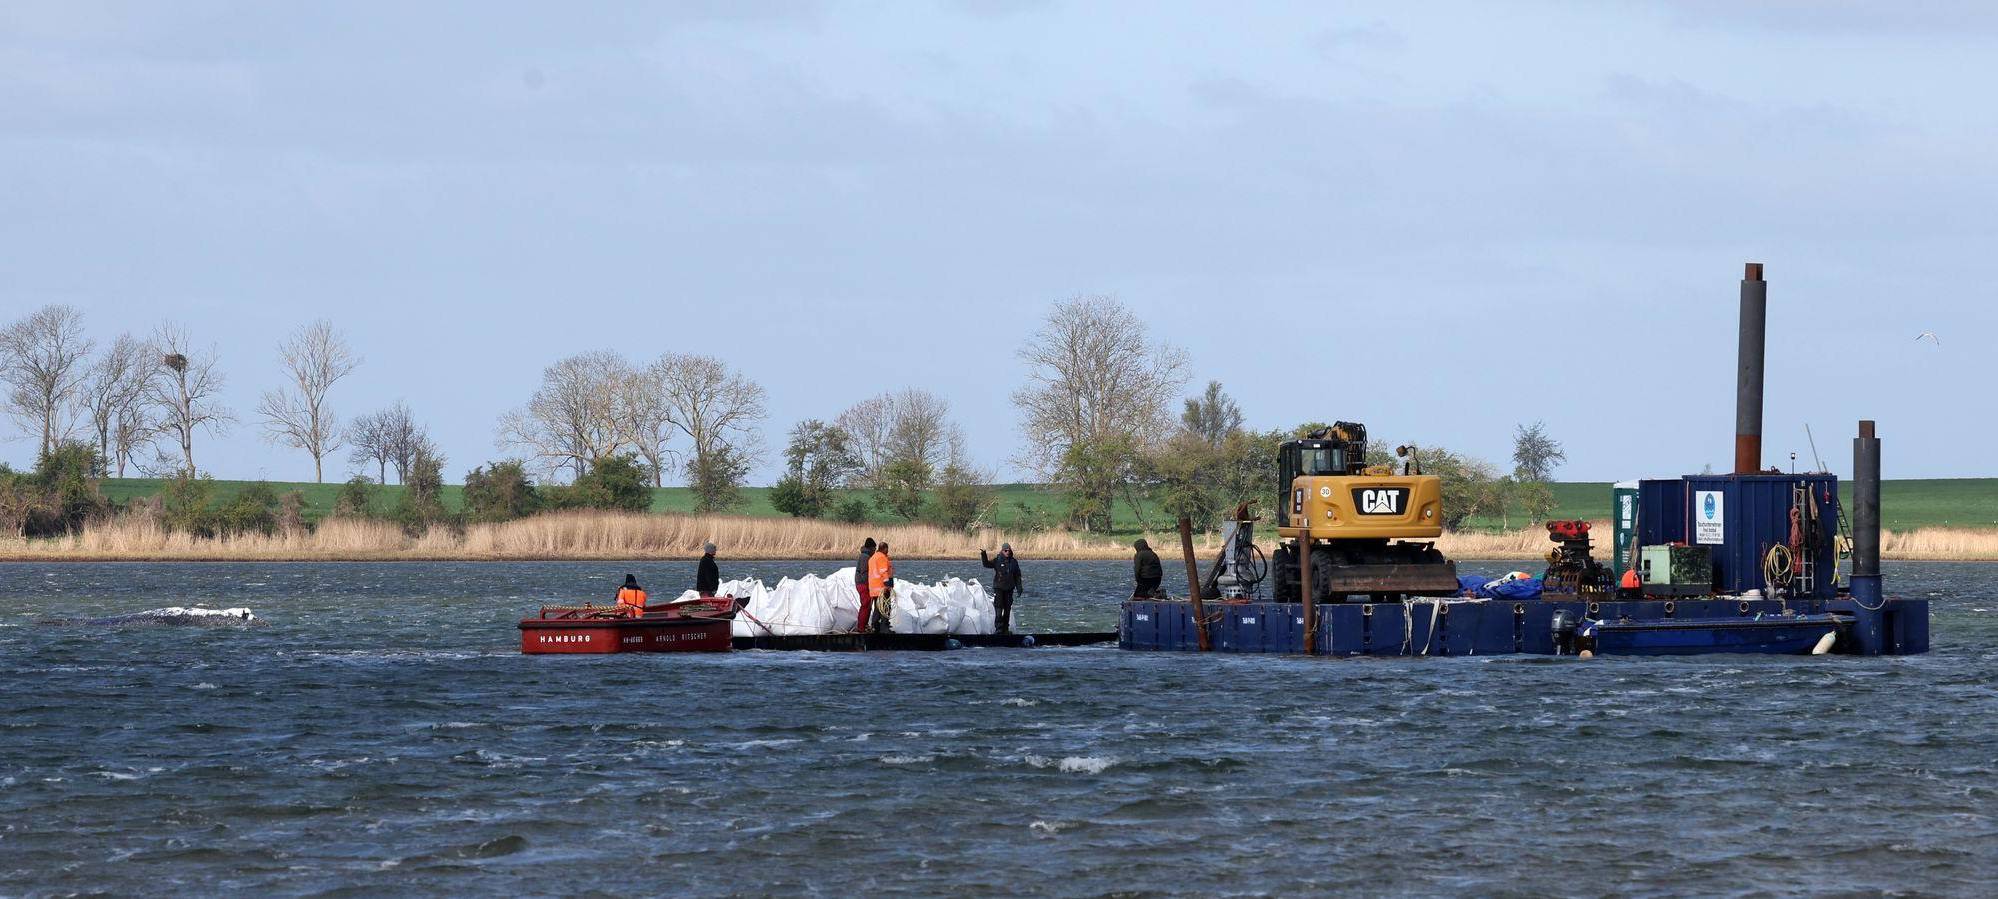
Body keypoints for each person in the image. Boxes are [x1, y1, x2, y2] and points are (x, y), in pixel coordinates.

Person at [980, 543, 1024, 634]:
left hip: (1009, 589)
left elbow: (1017, 575)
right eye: (1005, 550)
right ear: (1002, 551)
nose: (1007, 552)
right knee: (999, 608)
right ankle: (999, 629)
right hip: (999, 588)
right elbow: (986, 564)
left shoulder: (1014, 562)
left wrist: (1019, 587)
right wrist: (984, 554)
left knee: (1007, 609)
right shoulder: (997, 560)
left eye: (1009, 550)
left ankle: (1005, 629)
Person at [867, 540, 895, 633]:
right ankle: (884, 628)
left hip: (874, 589)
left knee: (878, 608)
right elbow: (883, 572)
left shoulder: (872, 558)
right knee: (885, 608)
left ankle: (875, 626)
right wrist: (887, 585)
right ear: (885, 549)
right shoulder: (882, 557)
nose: (888, 551)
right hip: (882, 587)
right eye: (887, 549)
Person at [854, 537, 877, 633]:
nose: (875, 551)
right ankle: (861, 628)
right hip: (863, 584)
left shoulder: (866, 556)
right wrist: (870, 584)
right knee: (865, 605)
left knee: (867, 605)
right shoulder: (865, 557)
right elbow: (864, 573)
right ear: (870, 548)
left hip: (863, 583)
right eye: (874, 549)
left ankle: (864, 625)